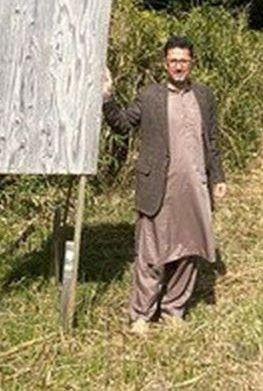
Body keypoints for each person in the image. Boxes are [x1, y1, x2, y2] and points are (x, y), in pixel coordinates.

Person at [102, 36, 228, 334]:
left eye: (183, 60)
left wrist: (218, 177)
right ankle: (141, 315)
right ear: (165, 64)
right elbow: (122, 124)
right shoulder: (149, 96)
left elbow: (212, 140)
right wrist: (107, 97)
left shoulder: (205, 96)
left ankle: (174, 309)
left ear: (192, 63)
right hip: (157, 187)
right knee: (150, 254)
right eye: (173, 61)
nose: (178, 66)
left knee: (189, 250)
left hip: (195, 186)